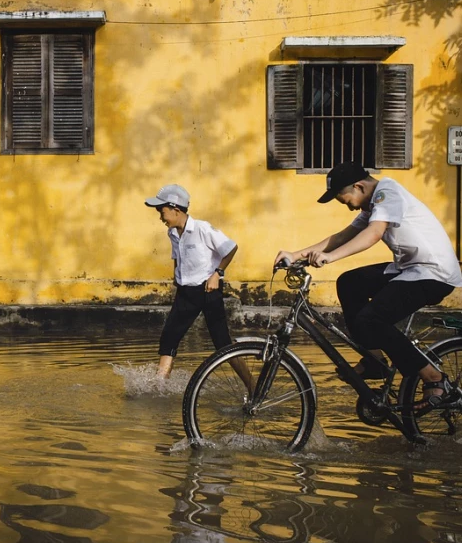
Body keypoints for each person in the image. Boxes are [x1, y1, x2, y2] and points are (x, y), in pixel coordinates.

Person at [275, 161, 462, 408]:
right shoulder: (373, 203)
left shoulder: (388, 193)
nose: (349, 208)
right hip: (410, 268)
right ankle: (374, 359)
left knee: (371, 319)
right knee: (350, 283)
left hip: (433, 273)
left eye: (345, 200)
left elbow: (373, 234)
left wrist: (330, 258)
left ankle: (433, 378)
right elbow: (342, 236)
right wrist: (297, 254)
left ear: (359, 186)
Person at [145, 184, 238, 378]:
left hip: (208, 291)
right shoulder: (172, 232)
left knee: (223, 345)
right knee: (168, 339)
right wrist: (176, 277)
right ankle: (158, 387)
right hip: (185, 294)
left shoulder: (202, 229)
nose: (160, 217)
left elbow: (230, 248)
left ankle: (254, 387)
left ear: (175, 209)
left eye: (162, 212)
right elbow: (177, 256)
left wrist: (217, 274)